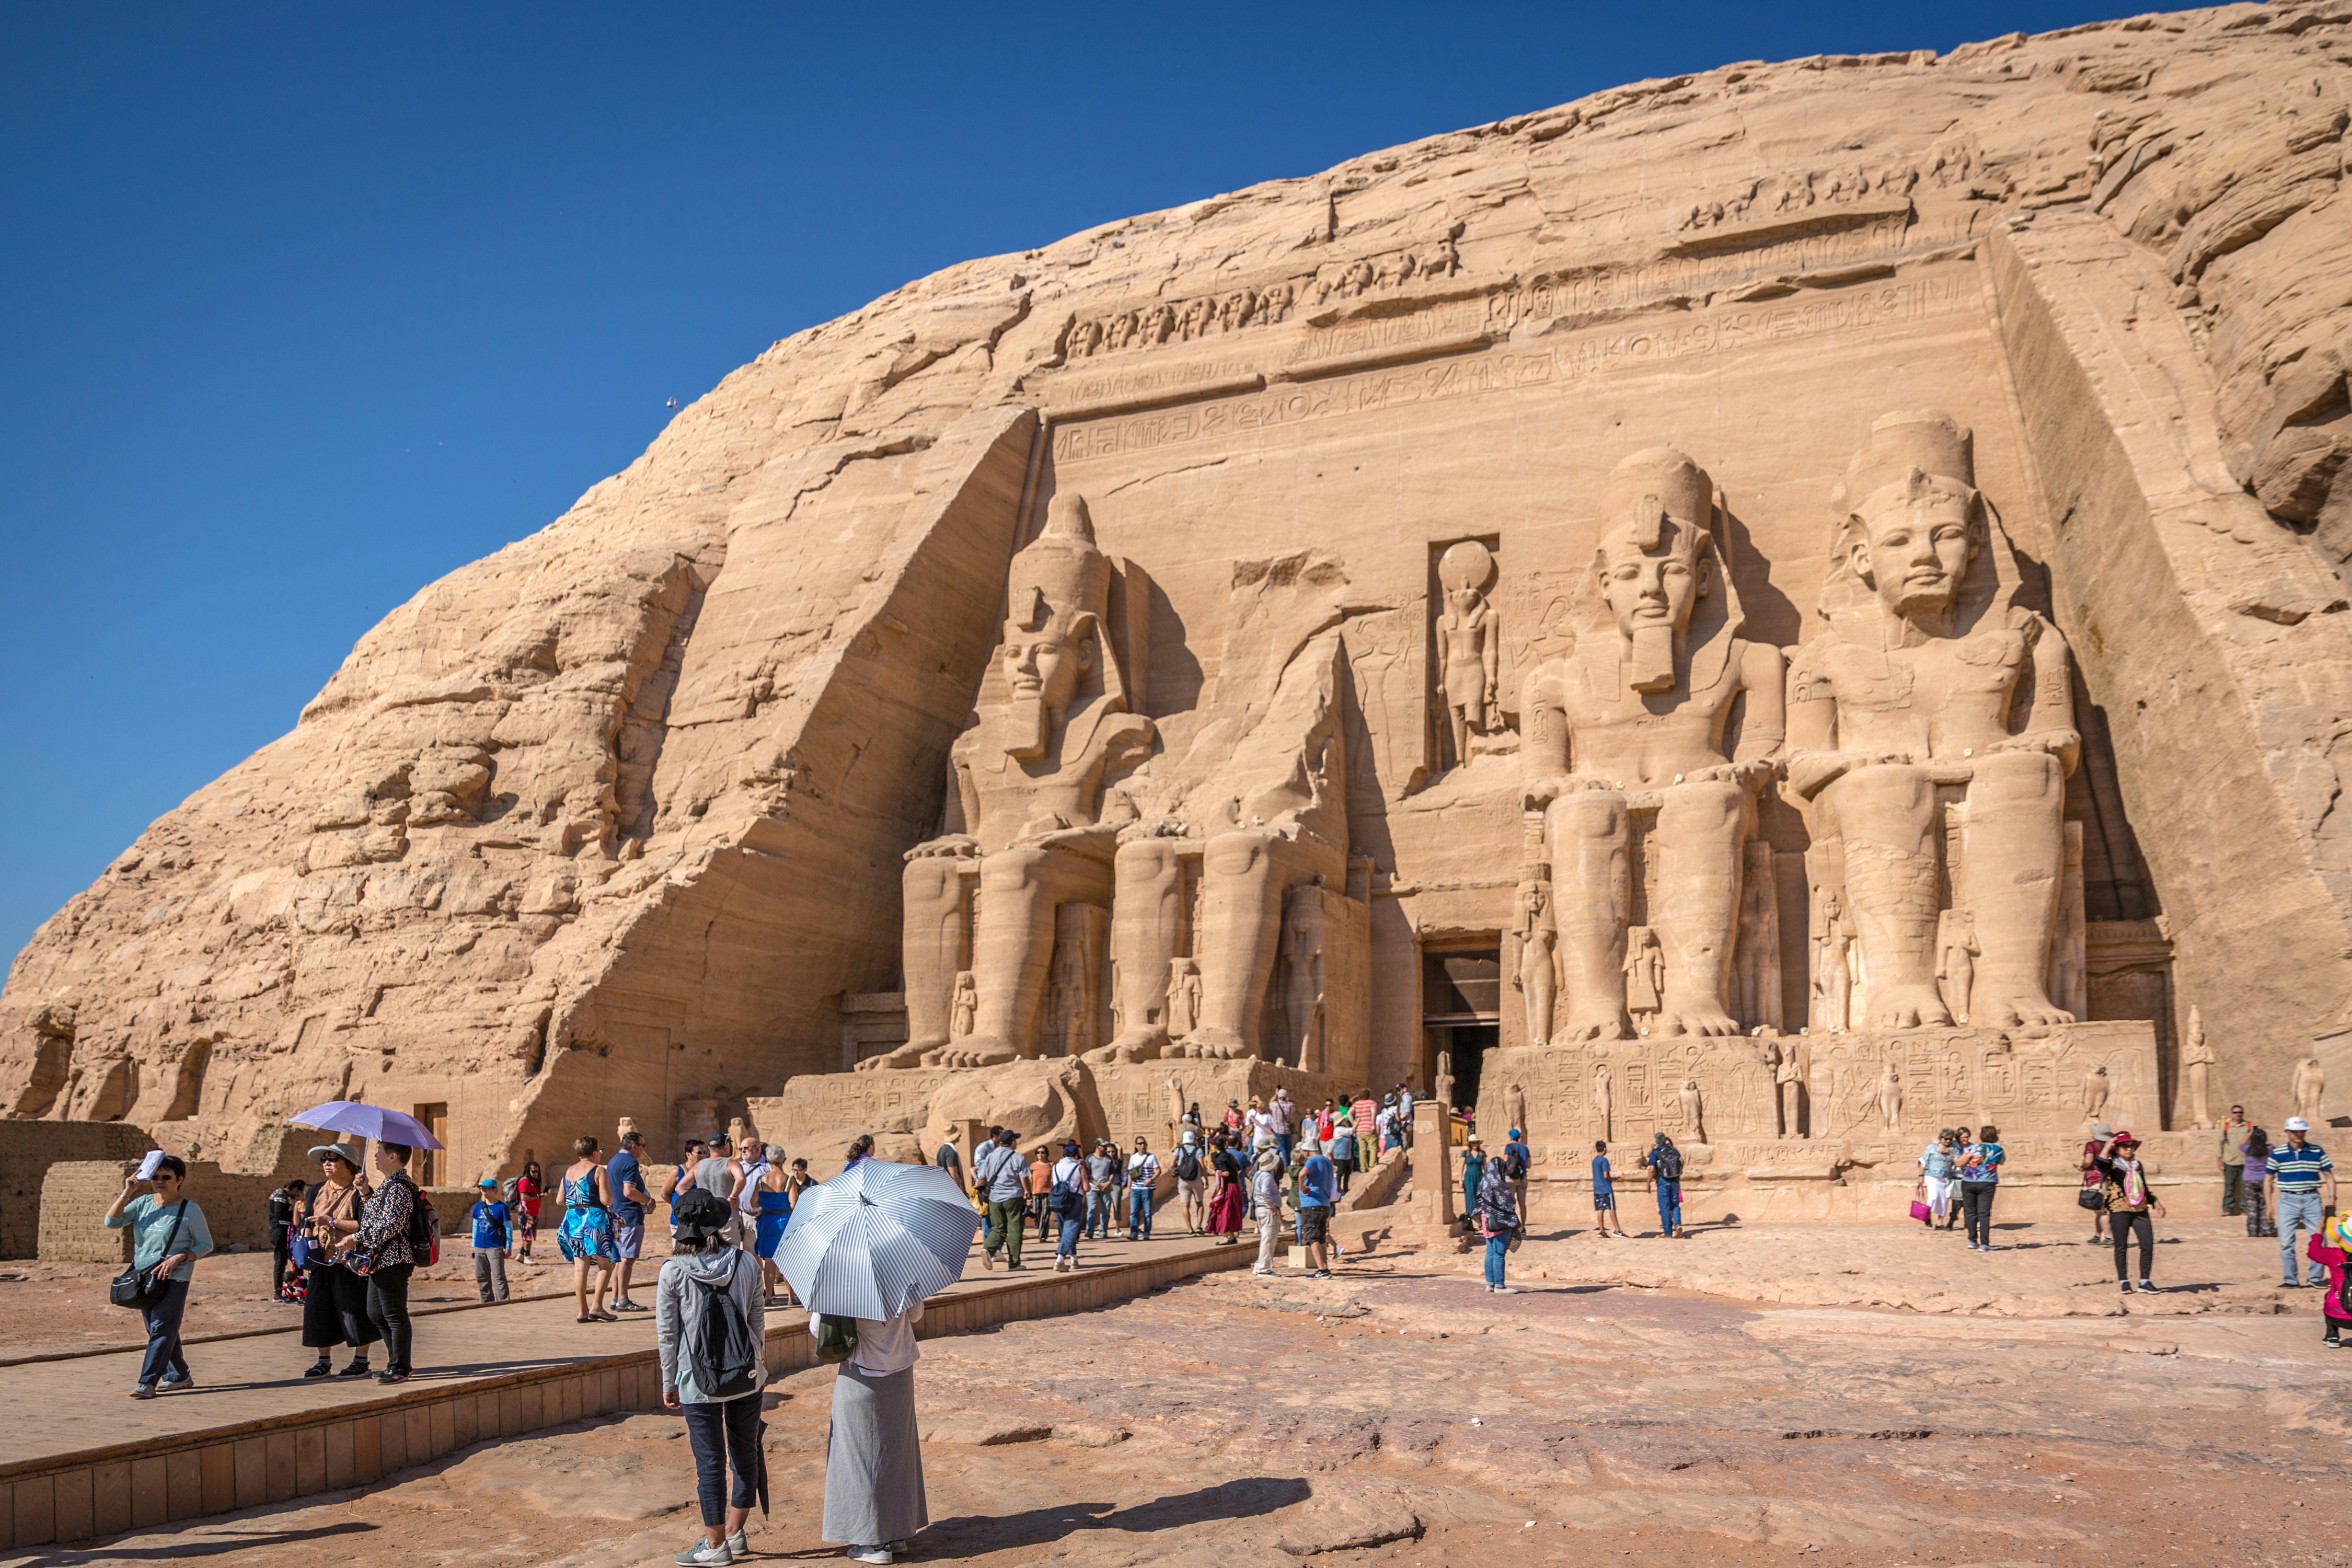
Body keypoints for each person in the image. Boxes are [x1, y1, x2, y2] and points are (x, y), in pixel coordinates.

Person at [659, 1189, 766, 1567]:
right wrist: (757, 1360)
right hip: (746, 1375)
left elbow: (668, 1334)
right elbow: (756, 1320)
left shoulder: (672, 1270)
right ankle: (735, 1535)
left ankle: (715, 1545)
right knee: (744, 1453)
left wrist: (668, 1380)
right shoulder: (748, 1262)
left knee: (709, 1462)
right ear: (720, 1225)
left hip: (695, 1378)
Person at [813, 1289, 928, 1565]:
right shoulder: (900, 1273)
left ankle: (874, 1542)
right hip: (900, 1372)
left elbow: (817, 1328)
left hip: (861, 1374)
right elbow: (917, 1315)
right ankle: (896, 1533)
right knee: (895, 1451)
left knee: (859, 1456)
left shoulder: (841, 1279)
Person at [105, 1154, 213, 1398]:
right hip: (144, 1277)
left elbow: (206, 1244)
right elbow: (111, 1222)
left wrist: (180, 1257)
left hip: (175, 1277)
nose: (160, 1181)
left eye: (166, 1177)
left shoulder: (190, 1209)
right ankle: (180, 1376)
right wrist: (127, 1192)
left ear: (180, 1179)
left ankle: (147, 1382)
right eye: (156, 1177)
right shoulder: (143, 1203)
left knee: (162, 1328)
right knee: (159, 1329)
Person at [339, 1141, 421, 1385]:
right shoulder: (388, 1186)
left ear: (393, 1156)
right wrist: (365, 1192)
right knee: (376, 1313)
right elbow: (374, 1218)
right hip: (381, 1260)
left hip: (394, 1260)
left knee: (395, 1314)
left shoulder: (399, 1187)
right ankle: (394, 1362)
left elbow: (390, 1226)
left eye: (379, 1153)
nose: (375, 1157)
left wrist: (356, 1238)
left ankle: (401, 1367)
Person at [298, 1144, 379, 1379]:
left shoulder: (361, 1192)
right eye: (324, 1159)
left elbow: (366, 1226)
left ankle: (361, 1360)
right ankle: (323, 1361)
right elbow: (307, 1226)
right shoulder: (315, 1191)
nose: (327, 1163)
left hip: (350, 1261)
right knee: (318, 1310)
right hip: (321, 1261)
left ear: (349, 1164)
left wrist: (332, 1222)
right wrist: (305, 1259)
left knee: (355, 1310)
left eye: (333, 1159)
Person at [2088, 1131, 2164, 1294]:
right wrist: (2108, 1145)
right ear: (2118, 1148)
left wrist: (2156, 1202)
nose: (2129, 1149)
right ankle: (2124, 1281)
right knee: (2121, 1247)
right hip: (2119, 1209)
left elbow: (2144, 1187)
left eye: (2131, 1146)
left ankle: (2145, 1281)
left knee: (2147, 1245)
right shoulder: (2112, 1165)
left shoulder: (2137, 1165)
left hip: (2140, 1210)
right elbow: (2099, 1164)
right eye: (2125, 1146)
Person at [558, 1134, 620, 1323]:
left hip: (572, 1220)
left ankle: (582, 1311)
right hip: (593, 1220)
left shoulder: (568, 1171)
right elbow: (606, 1200)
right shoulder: (599, 1170)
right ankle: (597, 1307)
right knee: (607, 1265)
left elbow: (560, 1200)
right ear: (594, 1153)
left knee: (580, 1269)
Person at [2271, 1116, 2337, 1287]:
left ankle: (2315, 1278)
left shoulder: (2317, 1151)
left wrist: (2332, 1198)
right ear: (2287, 1132)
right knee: (2286, 1242)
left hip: (2312, 1199)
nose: (2298, 1134)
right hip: (2286, 1200)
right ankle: (2290, 1280)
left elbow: (2329, 1176)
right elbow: (2267, 1179)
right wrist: (2269, 1206)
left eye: (2301, 1131)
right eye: (2294, 1131)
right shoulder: (2277, 1153)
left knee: (2318, 1239)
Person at [609, 1128, 653, 1315]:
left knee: (620, 1259)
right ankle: (623, 1300)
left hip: (617, 1215)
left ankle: (615, 1298)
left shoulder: (613, 1161)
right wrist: (648, 1201)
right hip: (630, 1216)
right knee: (627, 1259)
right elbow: (629, 1191)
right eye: (642, 1146)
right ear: (634, 1146)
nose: (643, 1150)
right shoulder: (630, 1162)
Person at [974, 1130, 1028, 1272]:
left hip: (994, 1198)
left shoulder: (991, 1157)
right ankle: (1014, 1263)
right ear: (1012, 1142)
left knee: (998, 1227)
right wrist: (1028, 1192)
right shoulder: (1018, 1157)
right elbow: (1024, 1178)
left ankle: (988, 1249)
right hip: (1013, 1196)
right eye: (1015, 1140)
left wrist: (980, 1194)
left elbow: (982, 1178)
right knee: (1015, 1229)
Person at [753, 1146, 793, 1306]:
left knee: (769, 1259)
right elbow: (794, 1203)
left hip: (768, 1221)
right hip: (785, 1220)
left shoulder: (761, 1181)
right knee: (787, 1259)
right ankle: (792, 1296)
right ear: (784, 1160)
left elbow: (753, 1203)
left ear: (768, 1161)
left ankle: (768, 1296)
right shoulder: (789, 1180)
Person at [1476, 1151, 1520, 1294]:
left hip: (1487, 1223)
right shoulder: (1499, 1185)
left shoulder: (1484, 1183)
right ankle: (1500, 1285)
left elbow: (1478, 1204)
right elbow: (1509, 1202)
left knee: (1490, 1253)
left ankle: (1490, 1284)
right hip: (1500, 1223)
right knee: (1499, 1254)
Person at [1958, 1124, 2005, 1252]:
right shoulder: (1998, 1149)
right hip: (1987, 1183)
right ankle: (1985, 1243)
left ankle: (1973, 1241)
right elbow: (2002, 1162)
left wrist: (1971, 1161)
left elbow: (1960, 1163)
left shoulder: (1974, 1148)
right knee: (1984, 1214)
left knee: (1970, 1212)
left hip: (1969, 1181)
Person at [2309, 1212, 2352, 1348]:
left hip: (2337, 1317)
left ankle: (2332, 1336)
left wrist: (2319, 1232)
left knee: (2330, 1295)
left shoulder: (2333, 1255)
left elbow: (2313, 1252)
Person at [1296, 1139, 1336, 1278]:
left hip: (1311, 1202)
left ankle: (1322, 1270)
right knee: (1321, 1236)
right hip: (1325, 1203)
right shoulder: (1328, 1162)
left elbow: (1301, 1174)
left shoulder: (1312, 1160)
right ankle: (1324, 1267)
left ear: (1307, 1152)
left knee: (1311, 1236)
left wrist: (1302, 1188)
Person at [696, 1137, 746, 1248]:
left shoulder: (699, 1165)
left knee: (708, 1252)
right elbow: (741, 1179)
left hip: (705, 1218)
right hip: (726, 1216)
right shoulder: (731, 1163)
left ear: (709, 1148)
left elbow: (681, 1187)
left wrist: (696, 1203)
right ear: (726, 1147)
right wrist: (733, 1197)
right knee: (730, 1253)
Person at [470, 1177, 512, 1304]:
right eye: (482, 1189)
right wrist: (473, 1244)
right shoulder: (478, 1207)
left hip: (495, 1247)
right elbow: (475, 1226)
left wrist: (508, 1246)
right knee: (481, 1276)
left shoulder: (502, 1207)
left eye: (487, 1189)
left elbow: (508, 1228)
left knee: (499, 1277)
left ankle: (503, 1303)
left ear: (495, 1190)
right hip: (479, 1246)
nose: (484, 1191)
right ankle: (487, 1302)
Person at [267, 1177, 307, 1302]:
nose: (299, 1196)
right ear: (295, 1188)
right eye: (299, 1193)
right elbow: (279, 1214)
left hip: (285, 1233)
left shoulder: (284, 1196)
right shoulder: (280, 1195)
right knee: (280, 1263)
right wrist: (296, 1212)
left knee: (296, 1262)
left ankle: (297, 1291)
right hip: (280, 1233)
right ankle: (279, 1293)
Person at [1250, 1139, 1285, 1277]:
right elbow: (1266, 1191)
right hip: (1267, 1209)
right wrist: (1272, 1205)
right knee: (1269, 1239)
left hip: (1260, 1208)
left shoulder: (1258, 1174)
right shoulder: (1267, 1177)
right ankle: (1264, 1269)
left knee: (1266, 1238)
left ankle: (1261, 1266)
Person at [1050, 1141, 1086, 1272]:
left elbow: (1053, 1184)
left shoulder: (1055, 1167)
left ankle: (1074, 1259)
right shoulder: (1079, 1167)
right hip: (1074, 1199)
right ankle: (1060, 1259)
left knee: (1066, 1230)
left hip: (1058, 1200)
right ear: (1075, 1156)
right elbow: (1086, 1187)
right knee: (1071, 1229)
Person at [1642, 1133, 1685, 1239]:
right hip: (1675, 1180)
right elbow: (1681, 1163)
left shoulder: (1656, 1152)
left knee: (1664, 1207)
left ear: (1656, 1141)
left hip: (1663, 1181)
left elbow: (1652, 1169)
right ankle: (1678, 1225)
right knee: (1675, 1204)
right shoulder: (1674, 1150)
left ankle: (1668, 1232)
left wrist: (1648, 1183)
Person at [2078, 1122, 2113, 1246]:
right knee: (2098, 1208)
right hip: (2107, 1178)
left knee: (2103, 1210)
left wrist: (2082, 1167)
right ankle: (2098, 1236)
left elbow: (2089, 1160)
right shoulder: (2111, 1146)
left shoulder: (2091, 1145)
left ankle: (2109, 1238)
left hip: (2096, 1179)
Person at [1207, 1134, 1246, 1244]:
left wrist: (1216, 1173)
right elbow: (1238, 1170)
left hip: (1228, 1188)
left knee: (1224, 1211)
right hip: (1236, 1186)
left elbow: (1226, 1173)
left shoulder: (1219, 1158)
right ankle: (1232, 1236)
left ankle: (1226, 1236)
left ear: (1215, 1147)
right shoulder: (1231, 1157)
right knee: (1232, 1211)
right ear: (1225, 1145)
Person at [1919, 1130, 1959, 1231]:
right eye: (1946, 1139)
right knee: (1933, 1197)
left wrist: (1950, 1153)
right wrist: (1921, 1176)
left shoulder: (1954, 1149)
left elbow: (1959, 1162)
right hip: (1931, 1175)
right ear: (1941, 1139)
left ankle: (1940, 1223)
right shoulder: (1932, 1147)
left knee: (1944, 1200)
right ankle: (1927, 1215)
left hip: (1946, 1177)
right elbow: (1923, 1161)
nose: (1948, 1141)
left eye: (1950, 1139)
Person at [2218, 1103, 2253, 1216]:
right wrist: (2220, 1160)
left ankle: (2245, 1208)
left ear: (2243, 1113)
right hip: (2229, 1160)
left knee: (2245, 1186)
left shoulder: (2248, 1126)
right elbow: (2220, 1144)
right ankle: (2227, 1209)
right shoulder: (2226, 1127)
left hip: (2245, 1161)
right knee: (2229, 1185)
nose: (2238, 1114)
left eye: (2240, 1112)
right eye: (2235, 1112)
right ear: (2231, 1114)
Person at [663, 1140, 708, 1225]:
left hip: (699, 1221)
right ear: (688, 1155)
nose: (703, 1156)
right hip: (680, 1221)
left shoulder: (705, 1171)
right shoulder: (677, 1171)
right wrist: (679, 1205)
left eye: (704, 1152)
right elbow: (665, 1194)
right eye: (699, 1153)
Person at [1126, 1136, 1161, 1242]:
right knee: (1134, 1212)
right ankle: (1134, 1232)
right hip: (1135, 1188)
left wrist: (1151, 1179)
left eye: (1144, 1143)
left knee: (1147, 1212)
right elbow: (1130, 1174)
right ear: (1136, 1146)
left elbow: (1158, 1171)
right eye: (1140, 1143)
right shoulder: (1133, 1158)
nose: (1143, 1145)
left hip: (1147, 1189)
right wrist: (1129, 1187)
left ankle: (1146, 1233)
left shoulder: (1151, 1157)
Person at [1590, 1140, 1629, 1238]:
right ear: (1604, 1149)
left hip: (1597, 1188)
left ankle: (1602, 1231)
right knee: (1612, 1209)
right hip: (1606, 1188)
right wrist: (1614, 1179)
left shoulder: (1595, 1161)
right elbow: (1606, 1175)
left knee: (1600, 1209)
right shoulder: (1604, 1161)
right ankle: (1617, 1230)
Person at [1172, 1132, 1208, 1234]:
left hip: (1183, 1180)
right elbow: (1202, 1166)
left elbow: (1171, 1164)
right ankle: (1199, 1226)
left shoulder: (1179, 1150)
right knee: (1200, 1204)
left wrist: (1179, 1167)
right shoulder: (1198, 1150)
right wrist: (1206, 1179)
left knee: (1185, 1205)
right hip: (1196, 1180)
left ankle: (1189, 1229)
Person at [1082, 1140, 1119, 1241]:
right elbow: (1087, 1174)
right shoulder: (1090, 1159)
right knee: (1092, 1209)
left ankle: (1103, 1231)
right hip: (1093, 1188)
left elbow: (1112, 1172)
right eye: (1103, 1146)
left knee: (1105, 1210)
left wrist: (1108, 1182)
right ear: (1098, 1147)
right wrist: (1096, 1184)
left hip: (1106, 1188)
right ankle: (1089, 1231)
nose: (1106, 1148)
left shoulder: (1108, 1159)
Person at [2243, 1127, 2274, 1238]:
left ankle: (2253, 1231)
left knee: (2252, 1207)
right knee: (2265, 1205)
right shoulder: (2269, 1149)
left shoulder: (2247, 1149)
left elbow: (2241, 1143)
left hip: (2249, 1180)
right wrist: (2265, 1138)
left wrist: (2250, 1134)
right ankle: (2267, 1229)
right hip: (2264, 1180)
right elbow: (2272, 1145)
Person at [515, 1160, 545, 1265]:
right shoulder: (525, 1181)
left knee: (527, 1235)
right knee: (528, 1236)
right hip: (527, 1213)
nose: (536, 1174)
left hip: (533, 1212)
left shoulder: (534, 1181)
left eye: (537, 1172)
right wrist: (539, 1196)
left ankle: (521, 1255)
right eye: (534, 1172)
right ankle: (527, 1256)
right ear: (528, 1171)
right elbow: (524, 1197)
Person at [1459, 1135, 1488, 1235]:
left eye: (1476, 1143)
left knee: (1480, 1200)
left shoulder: (1482, 1154)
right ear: (1470, 1144)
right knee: (1470, 1199)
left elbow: (1485, 1167)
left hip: (1480, 1177)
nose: (1475, 1144)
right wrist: (1460, 1179)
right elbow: (1462, 1166)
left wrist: (1487, 1180)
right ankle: (1471, 1223)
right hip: (1469, 1178)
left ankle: (1480, 1223)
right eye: (1473, 1143)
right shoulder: (1466, 1154)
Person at [1503, 1126, 1532, 1220]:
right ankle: (1523, 1226)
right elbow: (1529, 1165)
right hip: (1522, 1178)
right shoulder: (1525, 1148)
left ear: (1511, 1137)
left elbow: (1505, 1161)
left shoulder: (1509, 1147)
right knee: (1522, 1204)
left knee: (1510, 1203)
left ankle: (1511, 1225)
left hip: (1510, 1178)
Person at [1027, 1147, 1053, 1243]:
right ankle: (1041, 1229)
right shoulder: (1033, 1166)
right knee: (1036, 1213)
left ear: (1046, 1154)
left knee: (1045, 1214)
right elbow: (1029, 1180)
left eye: (1043, 1152)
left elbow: (1053, 1179)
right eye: (1038, 1152)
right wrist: (1027, 1193)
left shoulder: (1050, 1164)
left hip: (1048, 1192)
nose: (1040, 1154)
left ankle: (1042, 1236)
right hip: (1036, 1193)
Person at [1328, 1113, 1357, 1197]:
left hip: (1347, 1155)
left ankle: (1345, 1188)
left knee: (1347, 1172)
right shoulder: (1339, 1130)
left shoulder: (1343, 1129)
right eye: (1344, 1120)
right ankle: (1338, 1190)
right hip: (1340, 1156)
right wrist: (1357, 1122)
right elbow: (1353, 1131)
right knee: (1341, 1173)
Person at [933, 1131, 966, 1197]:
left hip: (944, 1186)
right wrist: (959, 1193)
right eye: (959, 1135)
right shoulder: (951, 1152)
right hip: (950, 1189)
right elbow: (954, 1174)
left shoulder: (942, 1148)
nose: (960, 1137)